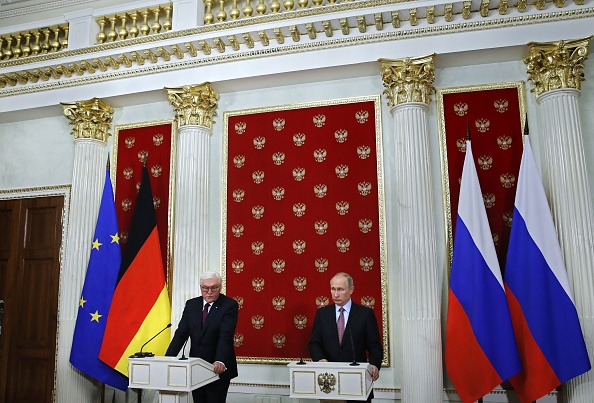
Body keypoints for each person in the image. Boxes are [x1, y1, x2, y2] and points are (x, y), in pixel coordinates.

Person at [308, 272, 383, 402]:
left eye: (340, 289)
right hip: (329, 383)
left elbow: (374, 345)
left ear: (351, 290)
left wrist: (375, 364)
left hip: (357, 383)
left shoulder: (365, 314)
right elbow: (314, 343)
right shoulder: (322, 314)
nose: (335, 294)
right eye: (333, 289)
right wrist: (320, 359)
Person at [165, 271, 238, 403]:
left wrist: (220, 360)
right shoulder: (192, 305)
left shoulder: (229, 305)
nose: (209, 292)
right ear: (201, 288)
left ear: (220, 287)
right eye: (205, 288)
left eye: (213, 288)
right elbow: (181, 334)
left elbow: (225, 336)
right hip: (196, 367)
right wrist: (167, 359)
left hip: (217, 369)